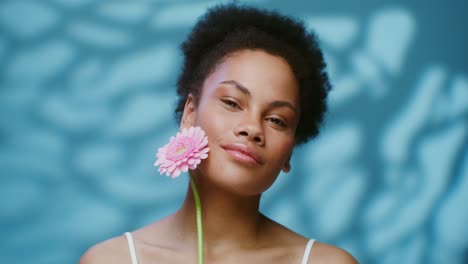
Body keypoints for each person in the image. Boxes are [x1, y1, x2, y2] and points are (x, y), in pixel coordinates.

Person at [80, 3, 358, 264]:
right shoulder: (112, 259)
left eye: (277, 120)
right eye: (232, 103)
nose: (252, 129)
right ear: (190, 114)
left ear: (290, 150)